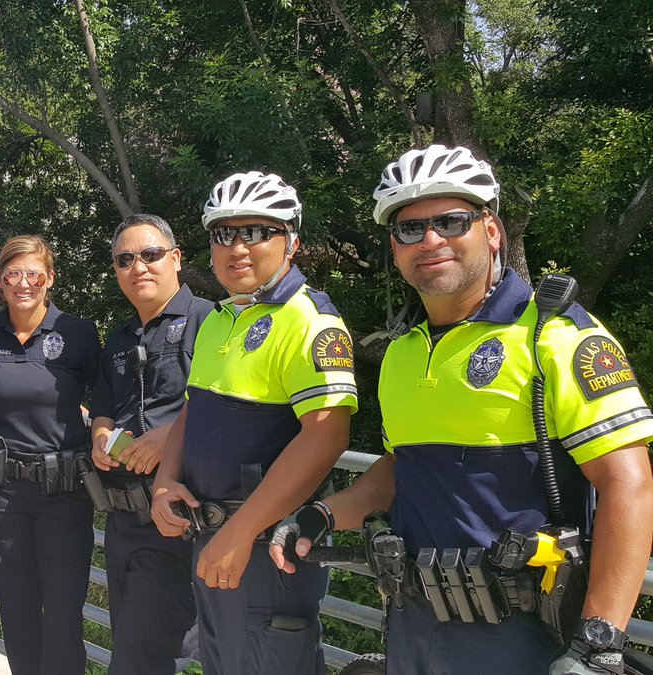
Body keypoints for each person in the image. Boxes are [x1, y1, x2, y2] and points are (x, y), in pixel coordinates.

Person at [270, 144, 653, 675]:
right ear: (395, 247)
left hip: (526, 642)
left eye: (451, 221)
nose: (430, 240)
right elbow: (401, 469)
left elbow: (628, 483)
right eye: (410, 229)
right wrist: (323, 513)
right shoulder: (402, 355)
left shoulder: (554, 337)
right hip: (412, 628)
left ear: (491, 230)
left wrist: (599, 642)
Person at [150, 171, 358, 674]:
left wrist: (241, 534)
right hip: (211, 537)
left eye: (257, 231)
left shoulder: (310, 321)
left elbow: (327, 436)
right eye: (224, 233)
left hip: (266, 551)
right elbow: (193, 410)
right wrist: (163, 481)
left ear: (292, 242)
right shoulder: (222, 317)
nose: (237, 247)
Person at [0, 235, 100, 675]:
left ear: (50, 278)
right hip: (2, 494)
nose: (24, 283)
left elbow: (108, 399)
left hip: (64, 494)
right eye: (13, 274)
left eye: (34, 274)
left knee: (63, 612)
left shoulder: (78, 332)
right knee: (16, 609)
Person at [88, 214, 211, 675]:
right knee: (136, 648)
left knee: (142, 658)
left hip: (179, 518)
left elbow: (232, 406)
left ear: (175, 259)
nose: (138, 266)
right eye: (125, 259)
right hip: (123, 521)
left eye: (150, 254)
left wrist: (171, 437)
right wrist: (101, 436)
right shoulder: (119, 339)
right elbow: (103, 406)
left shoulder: (213, 323)